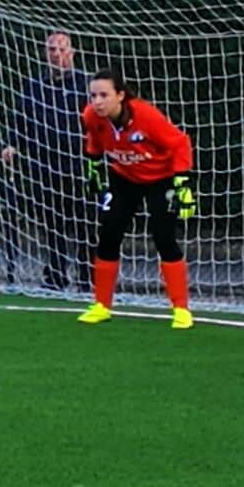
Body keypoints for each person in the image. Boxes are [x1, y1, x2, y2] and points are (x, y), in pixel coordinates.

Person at [75, 66, 196, 329]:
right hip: (124, 177)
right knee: (108, 233)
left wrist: (183, 183)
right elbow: (94, 141)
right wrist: (93, 167)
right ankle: (101, 305)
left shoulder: (145, 115)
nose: (97, 102)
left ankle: (181, 309)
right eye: (93, 96)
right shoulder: (90, 116)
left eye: (103, 95)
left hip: (160, 176)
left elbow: (179, 143)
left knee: (164, 236)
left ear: (120, 95)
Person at [0, 31, 92, 290]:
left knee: (86, 223)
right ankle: (56, 277)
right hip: (46, 163)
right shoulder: (35, 86)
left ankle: (89, 279)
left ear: (71, 53)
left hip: (81, 164)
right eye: (52, 50)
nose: (57, 55)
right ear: (45, 53)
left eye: (62, 50)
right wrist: (10, 144)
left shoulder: (86, 85)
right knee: (53, 223)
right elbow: (20, 119)